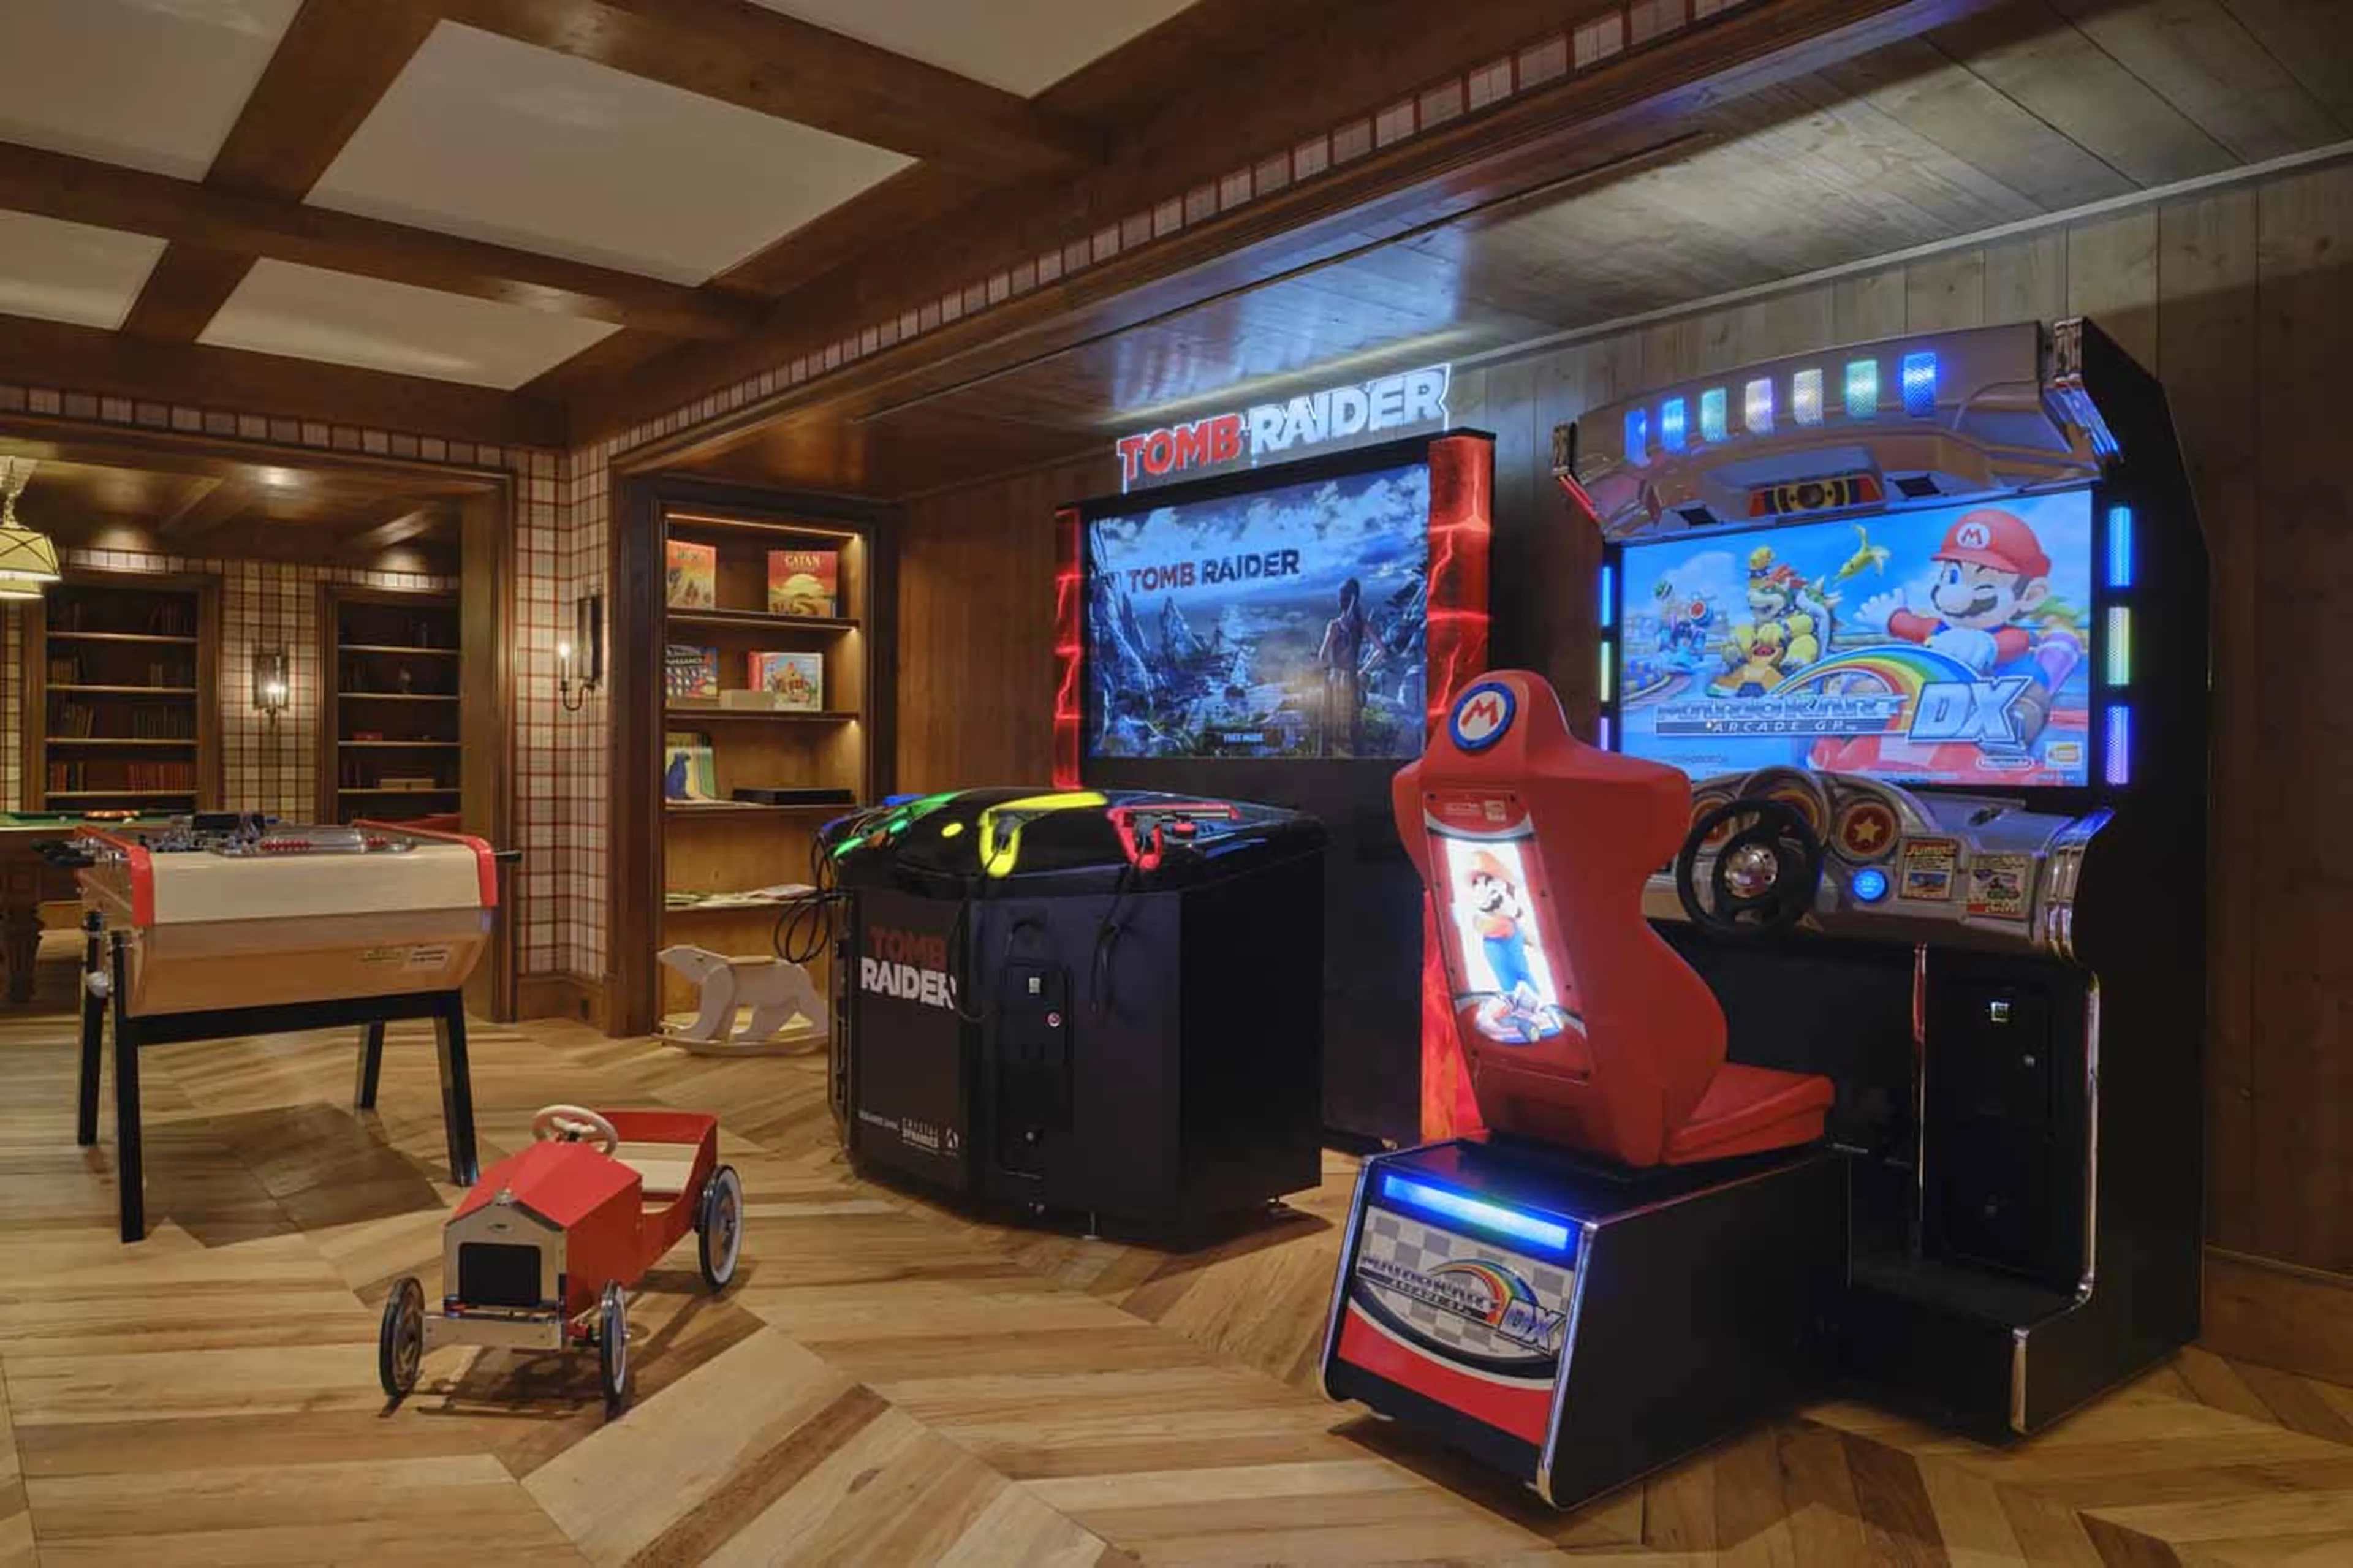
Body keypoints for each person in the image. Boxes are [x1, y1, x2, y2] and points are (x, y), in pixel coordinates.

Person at [1316, 577, 1370, 757]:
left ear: (1342, 599)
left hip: (1335, 679)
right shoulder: (1361, 625)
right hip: (1353, 679)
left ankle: (1326, 764)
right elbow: (1382, 650)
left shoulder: (1335, 626)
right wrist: (1364, 669)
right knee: (1354, 723)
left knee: (1328, 722)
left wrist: (1328, 667)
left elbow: (1322, 656)